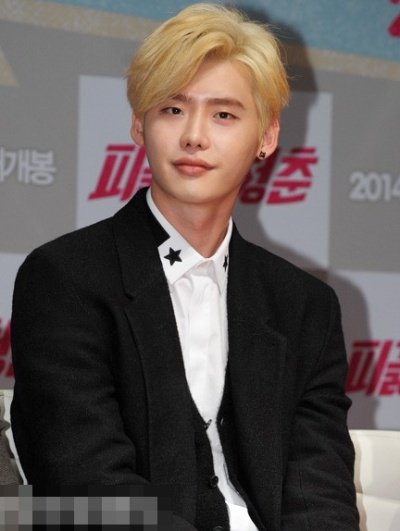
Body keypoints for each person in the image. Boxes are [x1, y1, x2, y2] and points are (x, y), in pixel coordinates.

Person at [11, 3, 359, 530]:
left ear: (266, 137)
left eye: (224, 115)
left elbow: (319, 487)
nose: (194, 135)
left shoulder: (304, 306)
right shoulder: (65, 278)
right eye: (172, 109)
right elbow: (83, 480)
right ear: (139, 124)